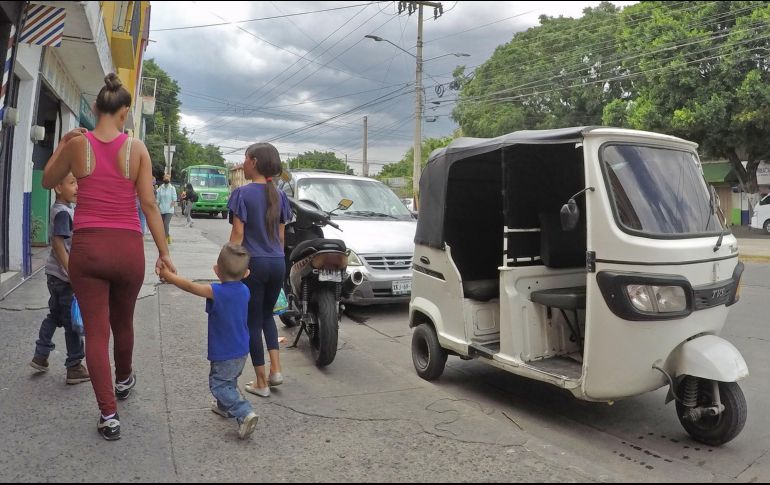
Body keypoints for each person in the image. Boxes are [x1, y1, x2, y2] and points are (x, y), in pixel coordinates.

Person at [42, 73, 176, 441]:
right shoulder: (137, 150)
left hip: (88, 249)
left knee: (97, 334)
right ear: (124, 113)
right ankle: (124, 378)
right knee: (124, 324)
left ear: (97, 108)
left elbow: (47, 180)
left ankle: (108, 415)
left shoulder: (77, 146)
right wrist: (165, 254)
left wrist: (64, 144)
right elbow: (149, 205)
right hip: (128, 250)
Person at [159, 243, 259, 439]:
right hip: (241, 349)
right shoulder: (245, 291)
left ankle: (244, 411)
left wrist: (169, 276)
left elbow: (189, 286)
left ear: (216, 270)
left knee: (219, 385)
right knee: (229, 381)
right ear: (246, 273)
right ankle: (225, 408)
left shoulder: (217, 292)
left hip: (225, 352)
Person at [228, 143, 291, 398]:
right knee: (267, 317)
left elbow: (238, 234)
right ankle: (276, 371)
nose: (242, 162)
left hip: (254, 265)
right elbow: (281, 236)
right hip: (277, 262)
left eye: (245, 158)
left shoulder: (241, 194)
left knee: (252, 322)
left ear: (253, 162)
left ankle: (261, 382)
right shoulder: (281, 195)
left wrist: (227, 264)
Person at [29, 173, 90, 385]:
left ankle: (40, 354)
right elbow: (57, 244)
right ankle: (74, 366)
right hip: (64, 278)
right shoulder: (64, 213)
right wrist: (72, 273)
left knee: (54, 316)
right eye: (72, 183)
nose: (77, 188)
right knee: (71, 322)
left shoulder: (61, 210)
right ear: (57, 187)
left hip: (53, 275)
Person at [156, 175, 177, 244]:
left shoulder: (172, 188)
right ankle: (168, 236)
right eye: (165, 177)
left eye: (167, 177)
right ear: (163, 178)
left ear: (170, 179)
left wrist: (171, 206)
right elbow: (158, 199)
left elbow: (174, 198)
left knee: (166, 223)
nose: (166, 178)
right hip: (161, 209)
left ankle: (164, 238)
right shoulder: (160, 188)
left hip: (169, 210)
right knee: (162, 225)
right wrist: (157, 206)